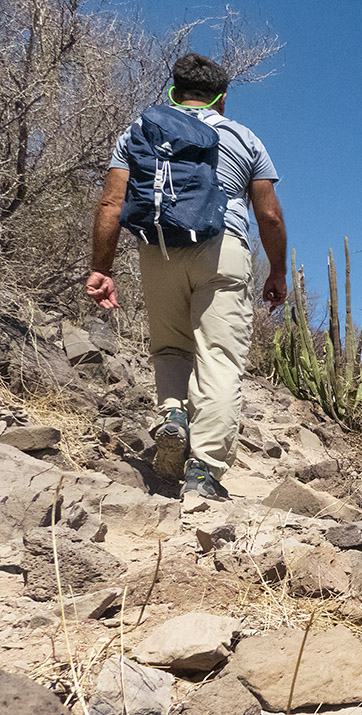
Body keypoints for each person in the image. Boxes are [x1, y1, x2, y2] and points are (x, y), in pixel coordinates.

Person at [87, 53, 288, 500]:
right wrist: (276, 271)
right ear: (221, 98)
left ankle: (174, 414)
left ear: (175, 93)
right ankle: (204, 471)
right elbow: (269, 215)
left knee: (169, 347)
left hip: (158, 249)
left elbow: (111, 203)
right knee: (218, 357)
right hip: (222, 249)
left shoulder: (140, 131)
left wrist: (102, 268)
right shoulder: (243, 137)